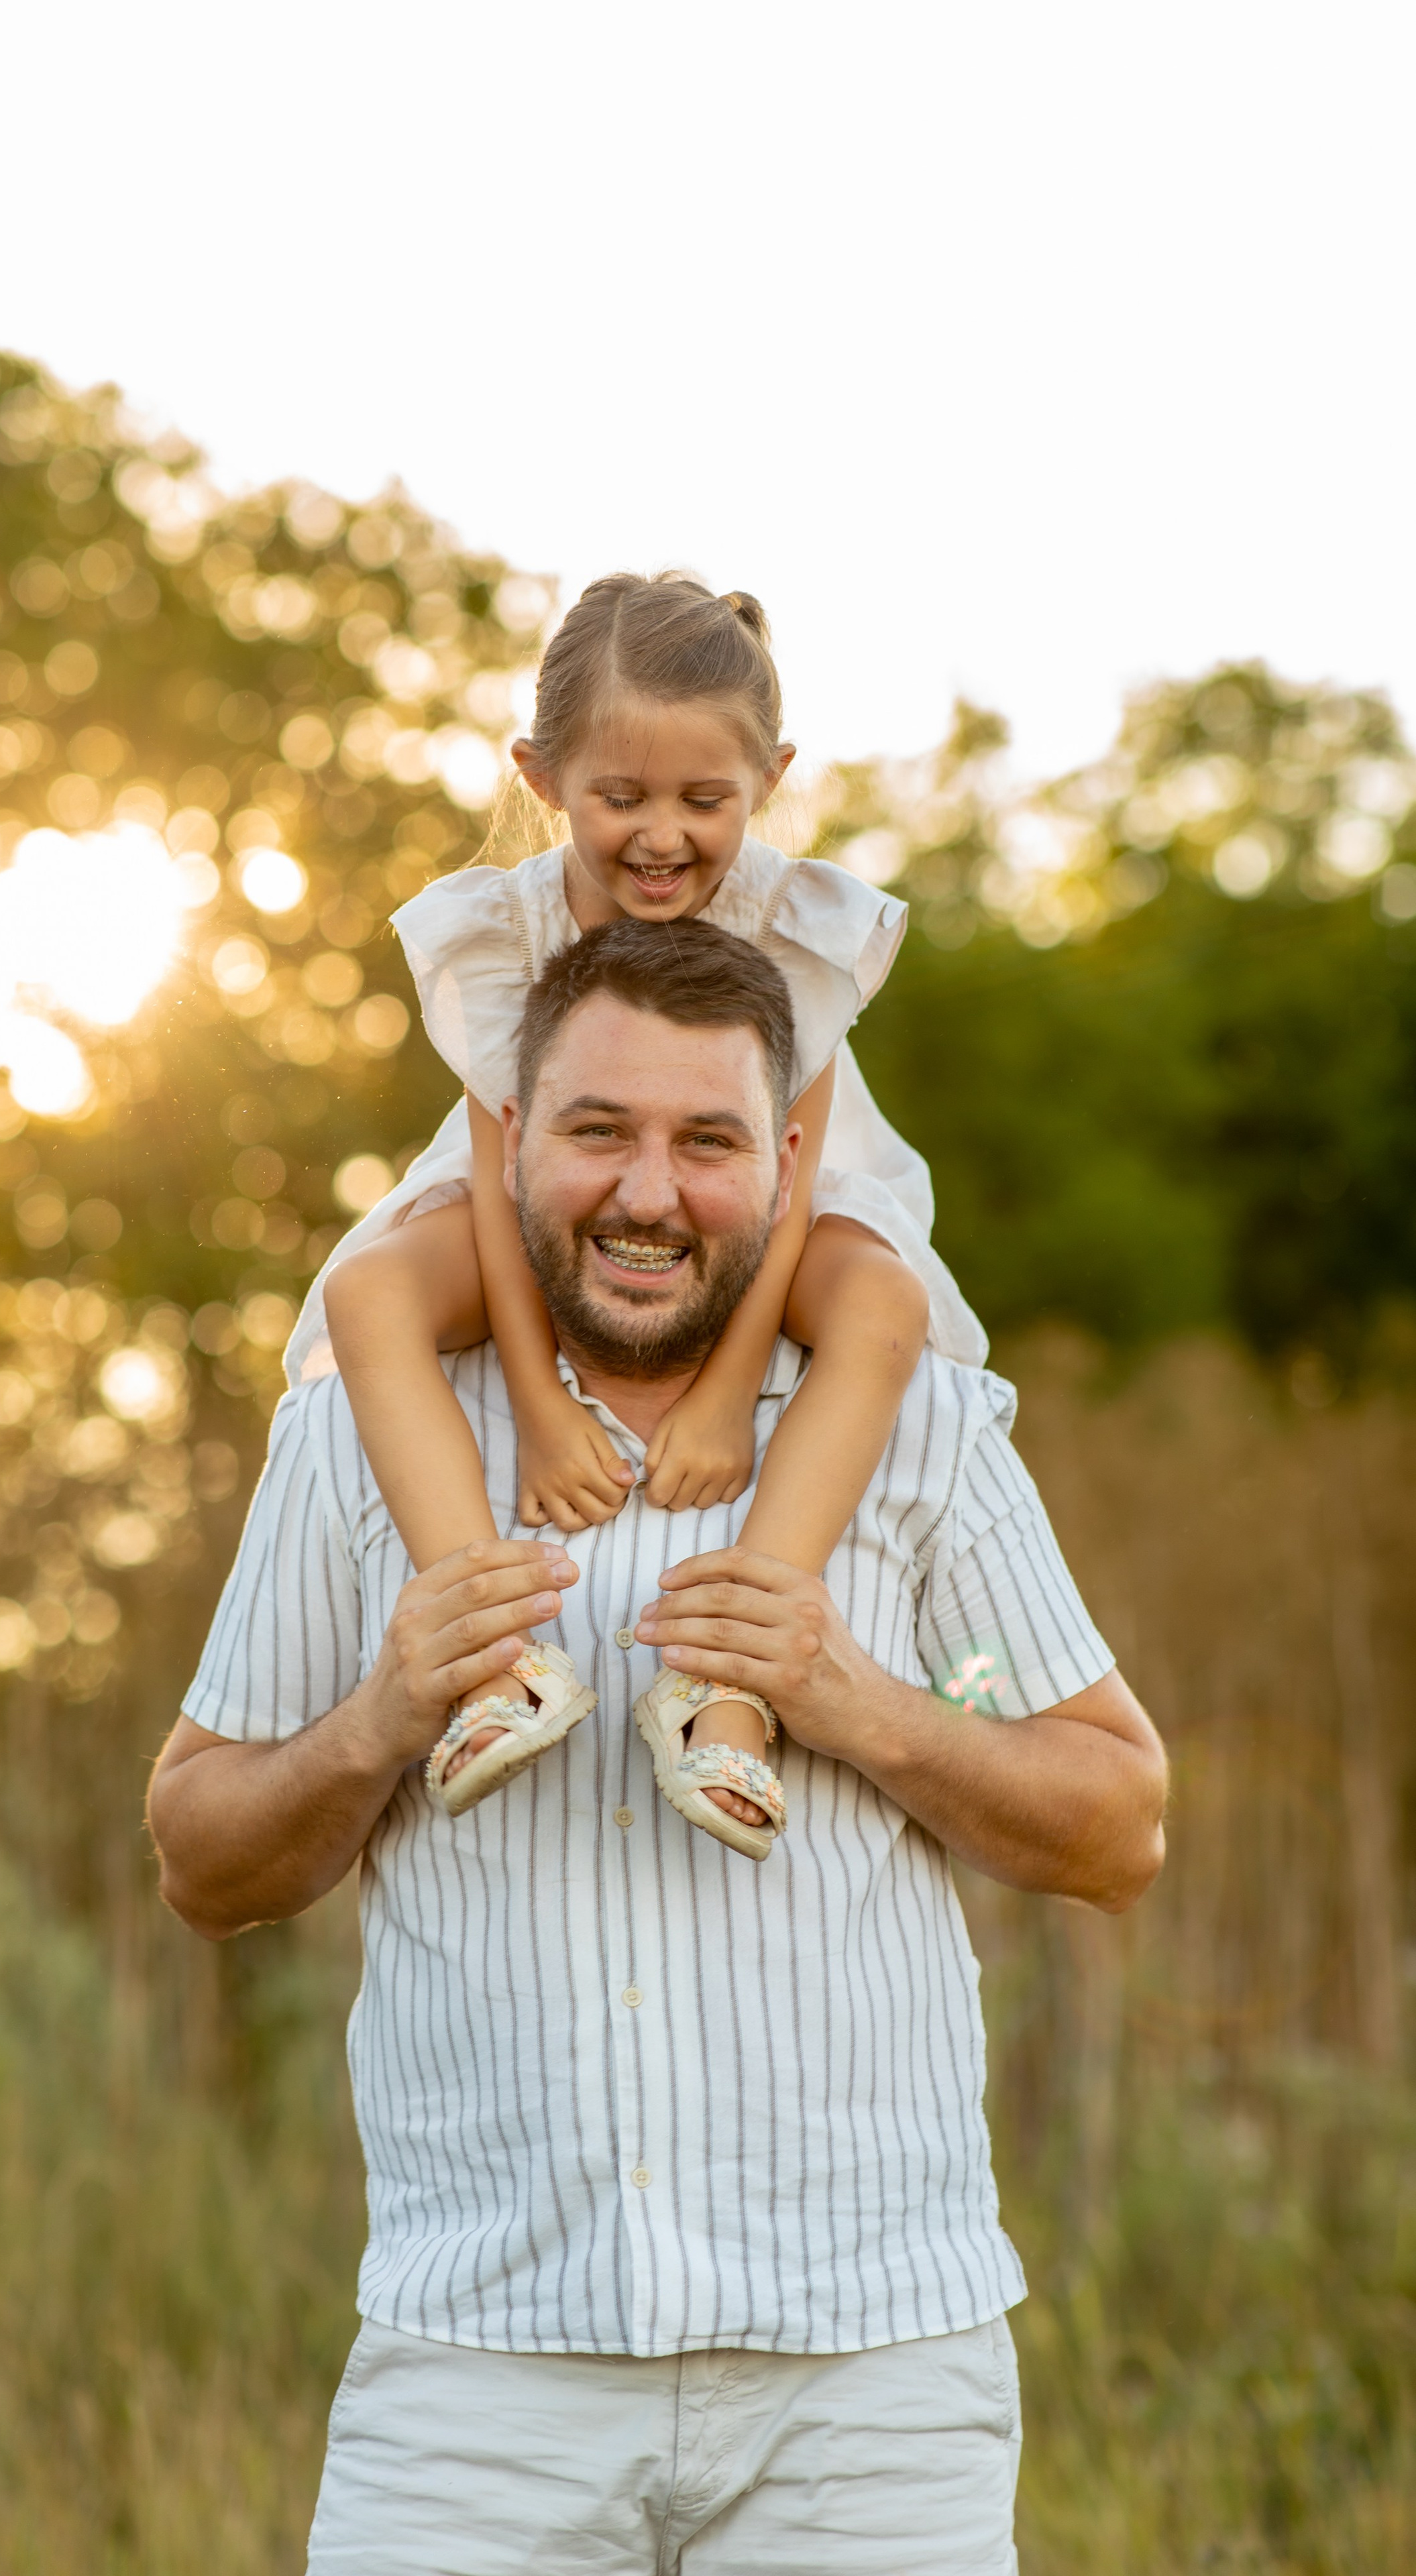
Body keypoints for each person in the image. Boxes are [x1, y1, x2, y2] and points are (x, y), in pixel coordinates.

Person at [150, 915, 1168, 2575]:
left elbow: (1115, 1823)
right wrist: (381, 1718)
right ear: (508, 1139)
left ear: (782, 1161)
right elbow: (200, 1856)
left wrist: (859, 1703)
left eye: (703, 1141)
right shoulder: (354, 1437)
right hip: (473, 2397)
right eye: (596, 1131)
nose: (645, 1192)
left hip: (867, 2398)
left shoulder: (912, 1431)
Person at [306, 571, 981, 1854]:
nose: (662, 835)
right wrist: (540, 1400)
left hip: (762, 1197)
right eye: (621, 797)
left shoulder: (795, 929)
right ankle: (493, 1666)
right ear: (544, 776)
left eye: (703, 800)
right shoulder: (505, 935)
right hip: (545, 1199)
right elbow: (511, 1180)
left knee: (883, 1300)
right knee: (370, 1290)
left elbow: (787, 1186)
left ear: (770, 779)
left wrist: (730, 1392)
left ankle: (728, 1689)